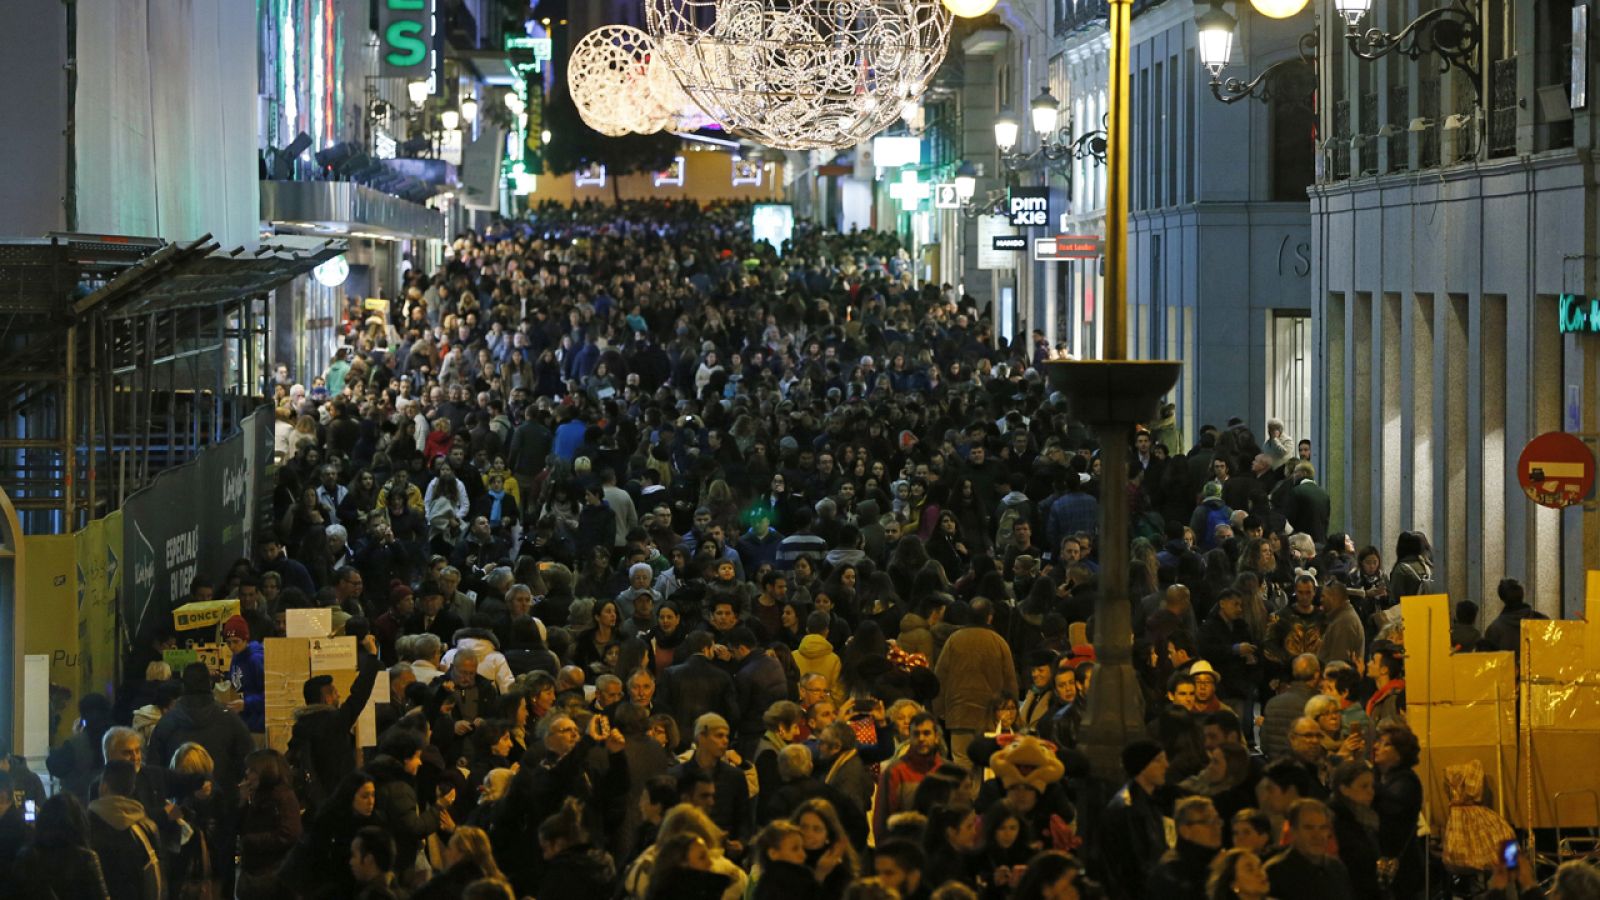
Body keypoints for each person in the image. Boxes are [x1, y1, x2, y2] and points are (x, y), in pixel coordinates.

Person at [1099, 739, 1169, 900]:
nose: (1166, 765)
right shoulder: (1129, 809)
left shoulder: (1148, 802)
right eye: (1158, 760)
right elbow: (1136, 865)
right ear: (1142, 766)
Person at [87, 761, 164, 900]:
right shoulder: (147, 827)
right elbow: (156, 880)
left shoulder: (85, 826)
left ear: (103, 787)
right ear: (132, 788)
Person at [1264, 799, 1355, 900]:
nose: (1317, 835)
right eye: (1309, 828)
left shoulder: (1337, 868)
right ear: (1293, 831)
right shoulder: (1276, 872)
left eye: (1323, 827)